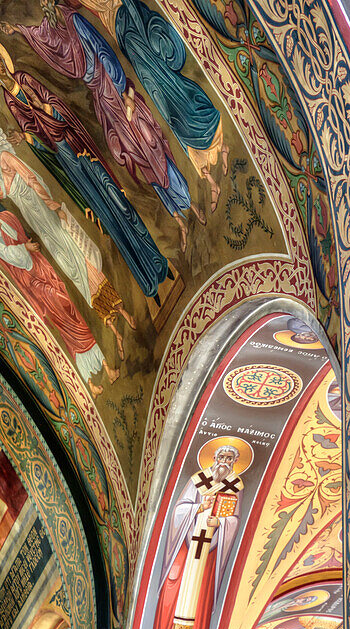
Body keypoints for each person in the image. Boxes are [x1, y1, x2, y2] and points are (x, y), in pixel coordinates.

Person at [3, 1, 205, 250]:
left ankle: (189, 203)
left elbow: (102, 50)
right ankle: (178, 218)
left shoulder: (74, 20)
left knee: (151, 144)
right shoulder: (53, 28)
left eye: (45, 0)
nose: (43, 3)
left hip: (115, 90)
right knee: (137, 157)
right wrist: (20, 29)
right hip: (103, 101)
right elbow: (48, 42)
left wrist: (123, 91)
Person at [0, 54, 170, 300]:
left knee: (120, 204)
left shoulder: (24, 78)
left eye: (1, 65)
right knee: (107, 218)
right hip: (66, 160)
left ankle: (157, 260)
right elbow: (35, 134)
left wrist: (45, 108)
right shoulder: (9, 99)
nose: (2, 72)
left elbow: (55, 106)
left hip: (76, 146)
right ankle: (146, 279)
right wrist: (25, 137)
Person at [77, 0, 229, 211]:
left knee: (187, 110)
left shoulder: (130, 14)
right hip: (148, 77)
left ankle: (222, 147)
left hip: (157, 68)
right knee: (174, 123)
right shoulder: (116, 22)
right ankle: (211, 180)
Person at [0, 125, 134, 362]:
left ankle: (122, 311)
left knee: (77, 255)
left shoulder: (5, 157)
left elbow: (31, 179)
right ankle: (113, 329)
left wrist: (50, 202)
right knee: (70, 269)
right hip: (37, 221)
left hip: (42, 209)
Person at [144, 443, 245, 629]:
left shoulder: (235, 485)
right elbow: (179, 509)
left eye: (230, 458)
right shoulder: (198, 480)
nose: (225, 462)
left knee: (200, 599)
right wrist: (198, 508)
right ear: (215, 457)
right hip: (186, 545)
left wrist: (219, 521)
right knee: (172, 593)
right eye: (222, 456)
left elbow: (235, 520)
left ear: (235, 462)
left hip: (209, 549)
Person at [0, 206, 109, 393]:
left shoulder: (6, 216)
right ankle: (88, 381)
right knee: (62, 318)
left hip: (40, 267)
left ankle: (104, 363)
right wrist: (25, 247)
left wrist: (28, 246)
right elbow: (5, 253)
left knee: (71, 310)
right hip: (30, 280)